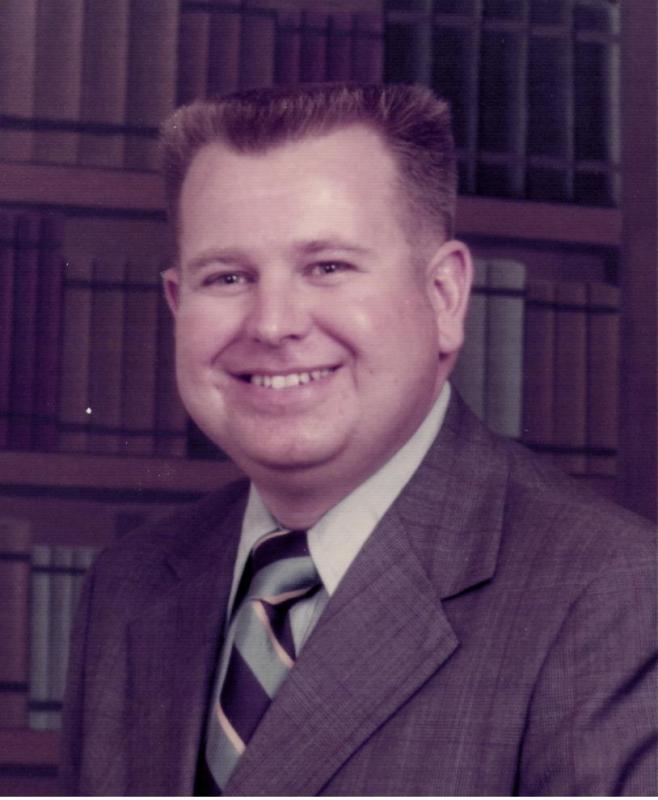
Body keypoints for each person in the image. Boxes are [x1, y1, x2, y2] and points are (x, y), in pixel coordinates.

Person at [60, 83, 657, 796]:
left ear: (444, 296)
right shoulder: (129, 586)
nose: (273, 324)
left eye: (328, 268)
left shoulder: (611, 594)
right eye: (227, 277)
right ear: (176, 303)